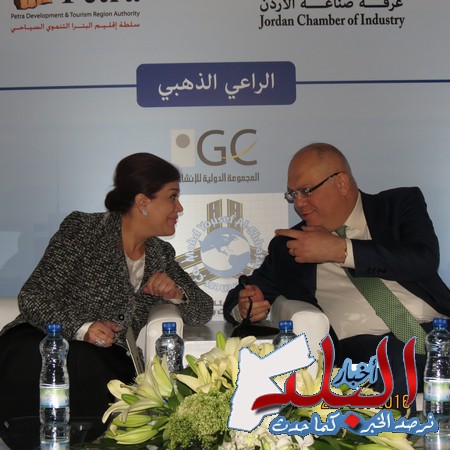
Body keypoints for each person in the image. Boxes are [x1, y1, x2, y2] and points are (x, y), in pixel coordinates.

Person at [224, 142, 450, 404]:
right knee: (398, 365)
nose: (299, 203)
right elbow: (240, 297)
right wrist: (245, 306)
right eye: (293, 194)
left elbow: (423, 260)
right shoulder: (289, 246)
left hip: (438, 330)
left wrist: (341, 250)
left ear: (341, 183)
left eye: (306, 191)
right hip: (366, 349)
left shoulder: (398, 205)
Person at [0, 152, 213, 424]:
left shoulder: (161, 254)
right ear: (143, 202)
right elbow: (32, 296)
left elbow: (203, 310)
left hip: (105, 360)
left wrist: (176, 293)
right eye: (172, 196)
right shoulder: (83, 230)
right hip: (42, 339)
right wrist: (83, 328)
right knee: (58, 359)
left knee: (90, 366)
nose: (179, 207)